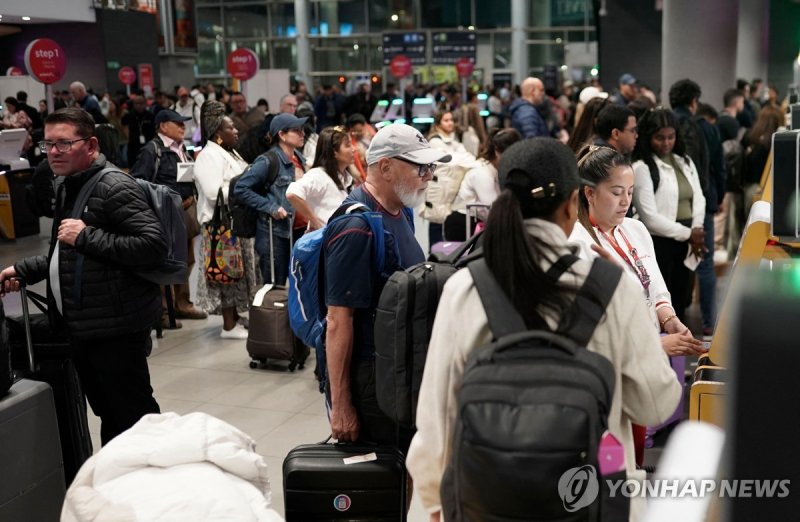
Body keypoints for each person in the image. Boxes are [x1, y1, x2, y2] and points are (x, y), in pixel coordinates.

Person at [406, 137, 681, 522]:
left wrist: (437, 502)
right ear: (573, 203)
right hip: (594, 502)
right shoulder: (614, 288)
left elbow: (436, 417)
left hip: (487, 502)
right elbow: (655, 403)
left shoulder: (465, 289)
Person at [0, 108, 163, 445]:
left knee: (133, 416)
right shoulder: (70, 185)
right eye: (48, 145)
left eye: (64, 143)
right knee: (110, 413)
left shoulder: (114, 186)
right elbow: (68, 252)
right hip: (86, 327)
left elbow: (152, 245)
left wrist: (87, 236)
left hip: (115, 328)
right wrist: (25, 270)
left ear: (90, 145)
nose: (54, 152)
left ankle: (153, 487)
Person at [324, 123, 451, 449]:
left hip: (399, 367)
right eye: (421, 167)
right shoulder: (356, 227)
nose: (429, 176)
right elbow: (339, 321)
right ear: (385, 167)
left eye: (431, 167)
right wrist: (341, 405)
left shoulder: (399, 211)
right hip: (372, 379)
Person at [570, 145, 705, 356]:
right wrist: (654, 346)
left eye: (630, 191)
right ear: (590, 193)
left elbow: (655, 286)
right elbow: (594, 330)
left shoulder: (635, 229)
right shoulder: (579, 244)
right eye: (616, 192)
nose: (625, 201)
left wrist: (669, 318)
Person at [130, 109, 207, 326]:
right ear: (163, 126)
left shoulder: (183, 149)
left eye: (183, 124)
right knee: (165, 262)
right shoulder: (152, 150)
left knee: (186, 260)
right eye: (177, 123)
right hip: (164, 213)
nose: (183, 127)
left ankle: (182, 304)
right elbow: (138, 182)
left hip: (185, 211)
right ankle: (163, 311)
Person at [631, 108, 706, 322]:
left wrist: (697, 229)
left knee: (682, 299)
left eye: (670, 137)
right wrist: (689, 233)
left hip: (688, 240)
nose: (666, 143)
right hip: (658, 244)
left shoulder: (685, 161)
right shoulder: (642, 168)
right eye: (659, 138)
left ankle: (679, 352)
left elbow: (698, 197)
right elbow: (649, 217)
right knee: (661, 302)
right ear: (648, 138)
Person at [193, 101, 258, 339]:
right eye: (231, 128)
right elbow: (213, 192)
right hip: (220, 226)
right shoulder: (209, 155)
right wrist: (244, 185)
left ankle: (236, 317)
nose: (236, 131)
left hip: (234, 224)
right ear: (218, 133)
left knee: (237, 274)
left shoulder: (228, 152)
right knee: (226, 275)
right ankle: (228, 326)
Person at [234, 112, 307, 285]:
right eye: (296, 130)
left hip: (298, 231)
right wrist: (271, 207)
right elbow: (241, 188)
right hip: (275, 234)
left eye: (302, 129)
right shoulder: (268, 161)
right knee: (275, 287)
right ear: (281, 134)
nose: (302, 134)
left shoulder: (299, 158)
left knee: (300, 286)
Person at [443, 128, 522, 241]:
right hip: (464, 225)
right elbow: (492, 207)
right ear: (496, 151)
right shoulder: (481, 172)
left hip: (478, 223)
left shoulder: (496, 169)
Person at [286, 126, 353, 231]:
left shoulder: (346, 178)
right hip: (327, 242)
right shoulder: (318, 174)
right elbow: (292, 193)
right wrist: (315, 222)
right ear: (334, 152)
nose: (353, 149)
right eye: (348, 145)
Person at [121, 94, 156, 168]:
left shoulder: (150, 116)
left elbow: (154, 129)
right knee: (133, 166)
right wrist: (127, 135)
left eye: (141, 103)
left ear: (145, 104)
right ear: (134, 104)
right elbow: (123, 124)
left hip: (148, 145)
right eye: (137, 104)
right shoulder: (130, 115)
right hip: (133, 145)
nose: (139, 106)